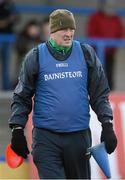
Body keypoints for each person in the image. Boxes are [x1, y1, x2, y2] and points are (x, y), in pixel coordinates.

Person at [8, 9, 117, 179]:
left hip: (79, 138)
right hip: (46, 139)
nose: (68, 34)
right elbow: (21, 97)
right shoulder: (35, 57)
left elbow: (100, 94)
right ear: (51, 31)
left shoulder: (86, 53)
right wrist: (17, 129)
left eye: (71, 29)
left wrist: (107, 124)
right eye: (63, 30)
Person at [87, 0, 124, 90]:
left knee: (110, 74)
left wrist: (113, 46)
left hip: (110, 53)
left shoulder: (116, 19)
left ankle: (110, 96)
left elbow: (121, 33)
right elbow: (91, 33)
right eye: (108, 6)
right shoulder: (95, 17)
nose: (110, 9)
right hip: (96, 52)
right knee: (97, 74)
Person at [14, 19, 41, 87]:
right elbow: (20, 49)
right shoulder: (22, 39)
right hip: (22, 71)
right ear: (28, 28)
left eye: (36, 29)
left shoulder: (40, 41)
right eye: (32, 29)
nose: (34, 31)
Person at [0, 0, 18, 90]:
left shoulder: (10, 5)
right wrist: (6, 20)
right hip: (2, 37)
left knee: (6, 65)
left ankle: (6, 87)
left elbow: (16, 18)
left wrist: (7, 21)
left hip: (8, 38)